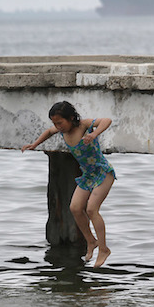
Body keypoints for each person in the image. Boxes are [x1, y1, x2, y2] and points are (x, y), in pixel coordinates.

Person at [22, 101, 116, 267]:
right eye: (55, 123)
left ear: (71, 118)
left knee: (91, 209)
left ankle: (103, 249)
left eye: (60, 122)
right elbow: (48, 132)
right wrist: (35, 144)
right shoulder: (60, 131)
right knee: (74, 208)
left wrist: (94, 134)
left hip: (102, 172)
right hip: (88, 175)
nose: (57, 126)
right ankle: (91, 241)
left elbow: (106, 120)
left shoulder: (84, 126)